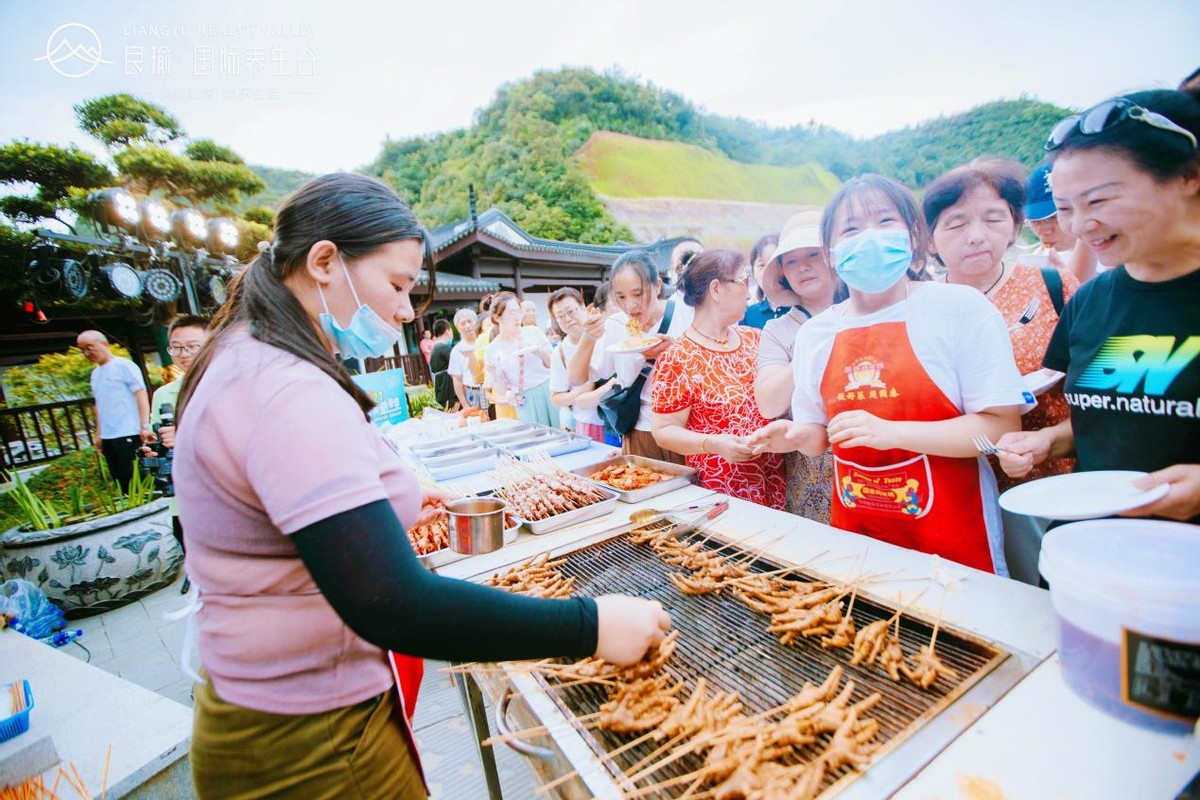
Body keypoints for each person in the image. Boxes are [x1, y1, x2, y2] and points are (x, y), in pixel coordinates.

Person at [173, 174, 670, 799]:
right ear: (325, 262)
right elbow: (391, 602)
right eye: (398, 285)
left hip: (277, 712)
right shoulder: (284, 387)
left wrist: (387, 496)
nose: (407, 310)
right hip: (309, 738)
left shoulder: (246, 356)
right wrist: (589, 626)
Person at [749, 175, 1029, 574]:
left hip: (953, 539)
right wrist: (794, 437)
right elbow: (819, 437)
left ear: (914, 236)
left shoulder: (960, 309)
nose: (869, 237)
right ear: (832, 252)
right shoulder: (816, 333)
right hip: (858, 533)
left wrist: (894, 433)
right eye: (850, 228)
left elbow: (998, 429)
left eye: (884, 222)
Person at [996, 84, 1200, 524]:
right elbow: (1106, 423)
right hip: (1090, 550)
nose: (1081, 225)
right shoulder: (1090, 301)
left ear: (1189, 176)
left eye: (1100, 200)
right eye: (1066, 208)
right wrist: (1049, 441)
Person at [923, 158, 1081, 584]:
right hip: (960, 490)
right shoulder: (921, 307)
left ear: (1014, 226)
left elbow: (1094, 387)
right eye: (956, 224)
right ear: (931, 240)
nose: (976, 236)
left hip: (1053, 482)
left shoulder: (1054, 286)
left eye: (993, 218)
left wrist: (1049, 440)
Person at [652, 250, 785, 508]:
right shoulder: (678, 357)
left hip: (774, 482)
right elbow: (664, 431)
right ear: (716, 289)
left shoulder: (754, 339)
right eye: (743, 280)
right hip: (721, 492)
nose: (748, 291)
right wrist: (712, 443)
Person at [753, 211, 842, 522]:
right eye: (790, 261)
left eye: (813, 254)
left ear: (832, 258)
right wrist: (812, 344)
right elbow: (767, 403)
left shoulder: (865, 311)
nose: (802, 266)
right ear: (782, 274)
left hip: (870, 458)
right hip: (809, 469)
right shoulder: (778, 331)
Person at [569, 251, 694, 462]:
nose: (630, 305)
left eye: (638, 294)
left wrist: (676, 354)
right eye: (621, 297)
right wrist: (588, 338)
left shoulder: (687, 314)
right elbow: (576, 379)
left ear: (657, 286)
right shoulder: (615, 325)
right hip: (640, 433)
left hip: (689, 432)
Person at [142, 315, 210, 564]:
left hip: (224, 495)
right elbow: (159, 440)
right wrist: (153, 449)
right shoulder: (163, 394)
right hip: (183, 499)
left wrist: (185, 434)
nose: (184, 354)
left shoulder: (230, 383)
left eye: (193, 346)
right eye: (177, 347)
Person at [77, 330, 155, 492]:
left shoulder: (124, 366)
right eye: (82, 349)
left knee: (139, 481)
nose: (86, 353)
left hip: (129, 432)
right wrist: (98, 434)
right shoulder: (95, 374)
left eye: (90, 347)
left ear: (104, 344)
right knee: (121, 483)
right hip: (108, 437)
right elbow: (99, 405)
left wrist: (144, 425)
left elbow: (141, 395)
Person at [548, 287, 616, 444]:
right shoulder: (560, 352)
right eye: (560, 316)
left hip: (619, 417)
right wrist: (579, 393)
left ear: (583, 308)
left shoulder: (607, 333)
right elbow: (556, 399)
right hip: (589, 423)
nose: (567, 319)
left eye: (571, 312)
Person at [484, 291, 557, 427]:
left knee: (561, 435)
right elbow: (501, 390)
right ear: (497, 317)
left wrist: (539, 351)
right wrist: (493, 371)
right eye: (511, 313)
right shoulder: (492, 350)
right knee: (537, 439)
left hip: (549, 388)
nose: (517, 317)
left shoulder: (534, 332)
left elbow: (554, 365)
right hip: (524, 399)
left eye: (518, 311)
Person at [1023, 162, 1100, 283]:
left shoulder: (1117, 255)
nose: (1045, 231)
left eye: (1054, 218)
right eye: (1035, 221)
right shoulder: (1038, 264)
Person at [741, 233, 789, 329]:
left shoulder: (802, 311)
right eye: (761, 265)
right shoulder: (748, 314)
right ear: (753, 270)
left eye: (775, 263)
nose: (768, 271)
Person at [448, 307, 486, 412]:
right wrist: (465, 405)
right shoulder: (456, 351)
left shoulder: (484, 341)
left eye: (470, 321)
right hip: (472, 393)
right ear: (458, 328)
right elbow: (457, 380)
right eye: (463, 323)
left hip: (491, 390)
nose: (467, 326)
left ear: (476, 322)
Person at [428, 319, 456, 409]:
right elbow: (458, 366)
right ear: (448, 331)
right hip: (449, 390)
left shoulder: (435, 348)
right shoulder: (444, 347)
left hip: (441, 389)